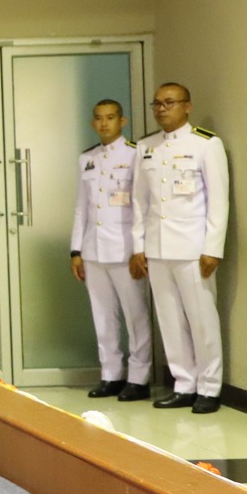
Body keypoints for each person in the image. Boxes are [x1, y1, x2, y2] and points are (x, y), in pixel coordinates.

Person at [130, 82, 229, 414]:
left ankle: (210, 387)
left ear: (187, 106)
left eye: (169, 103)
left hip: (192, 248)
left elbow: (218, 200)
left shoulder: (205, 144)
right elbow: (139, 202)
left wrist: (213, 247)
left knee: (202, 320)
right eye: (156, 104)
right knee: (170, 321)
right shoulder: (146, 147)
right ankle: (184, 384)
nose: (161, 109)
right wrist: (138, 246)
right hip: (158, 248)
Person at [71, 100, 152, 401]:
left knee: (135, 316)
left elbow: (142, 204)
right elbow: (82, 208)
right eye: (99, 119)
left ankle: (139, 377)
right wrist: (75, 250)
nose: (104, 124)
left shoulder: (135, 154)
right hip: (94, 249)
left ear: (123, 121)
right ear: (93, 123)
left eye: (110, 118)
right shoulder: (87, 159)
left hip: (125, 248)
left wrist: (138, 249)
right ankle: (111, 374)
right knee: (102, 316)